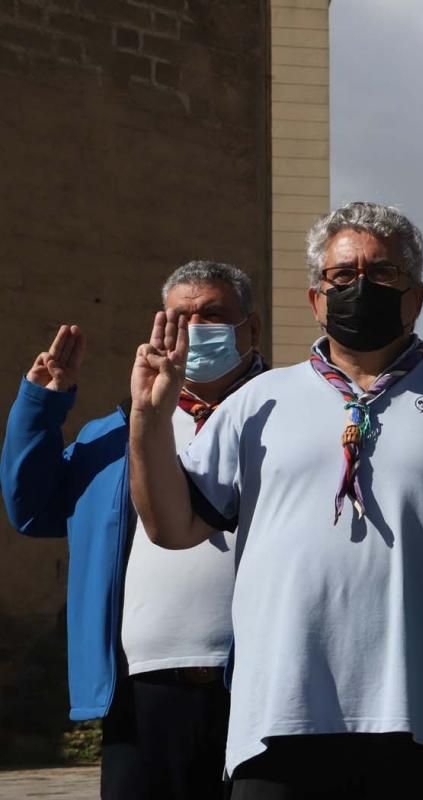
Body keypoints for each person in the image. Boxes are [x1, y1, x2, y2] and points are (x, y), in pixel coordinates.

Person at [124, 202, 423, 798]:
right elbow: (171, 526)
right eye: (342, 276)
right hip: (282, 719)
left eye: (383, 274)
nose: (360, 288)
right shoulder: (256, 402)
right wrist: (149, 419)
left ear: (416, 297)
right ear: (316, 298)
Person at [1, 261, 266, 800]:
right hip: (141, 691)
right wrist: (41, 406)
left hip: (263, 681)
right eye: (181, 316)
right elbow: (32, 509)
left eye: (213, 314)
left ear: (250, 329)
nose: (196, 328)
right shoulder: (118, 428)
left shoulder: (287, 412)